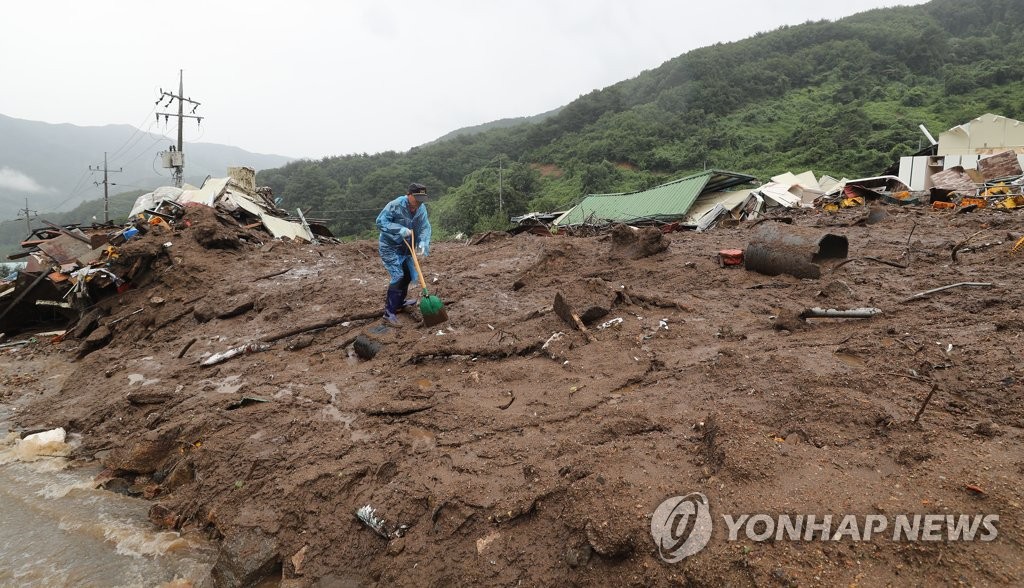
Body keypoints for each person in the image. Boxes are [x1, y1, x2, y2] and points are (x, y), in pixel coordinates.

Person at [375, 182, 432, 325]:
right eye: (417, 199)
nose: (419, 203)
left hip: (406, 248)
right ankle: (389, 313)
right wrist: (399, 229)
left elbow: (425, 226)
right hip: (390, 246)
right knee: (398, 276)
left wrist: (423, 243)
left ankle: (399, 303)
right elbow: (380, 222)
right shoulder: (395, 205)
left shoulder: (421, 209)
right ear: (409, 195)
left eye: (422, 200)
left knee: (407, 275)